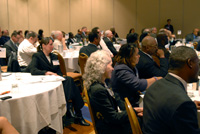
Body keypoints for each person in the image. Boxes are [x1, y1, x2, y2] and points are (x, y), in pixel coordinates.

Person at [27, 37, 90, 126]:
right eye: (50, 44)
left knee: (69, 81)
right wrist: (46, 73)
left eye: (52, 44)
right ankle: (77, 113)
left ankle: (71, 108)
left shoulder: (54, 56)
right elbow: (33, 70)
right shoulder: (37, 56)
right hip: (45, 82)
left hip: (56, 80)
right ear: (43, 45)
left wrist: (59, 77)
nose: (52, 46)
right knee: (70, 81)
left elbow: (59, 71)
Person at [83, 50, 143, 134]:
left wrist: (133, 110)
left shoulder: (100, 82)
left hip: (109, 122)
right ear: (102, 67)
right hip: (109, 129)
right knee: (140, 121)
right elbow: (113, 118)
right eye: (110, 65)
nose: (113, 68)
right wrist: (133, 111)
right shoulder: (98, 90)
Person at [143, 46, 200, 134]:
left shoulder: (155, 86)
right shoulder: (183, 104)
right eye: (198, 63)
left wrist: (190, 106)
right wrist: (188, 107)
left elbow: (169, 108)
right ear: (190, 63)